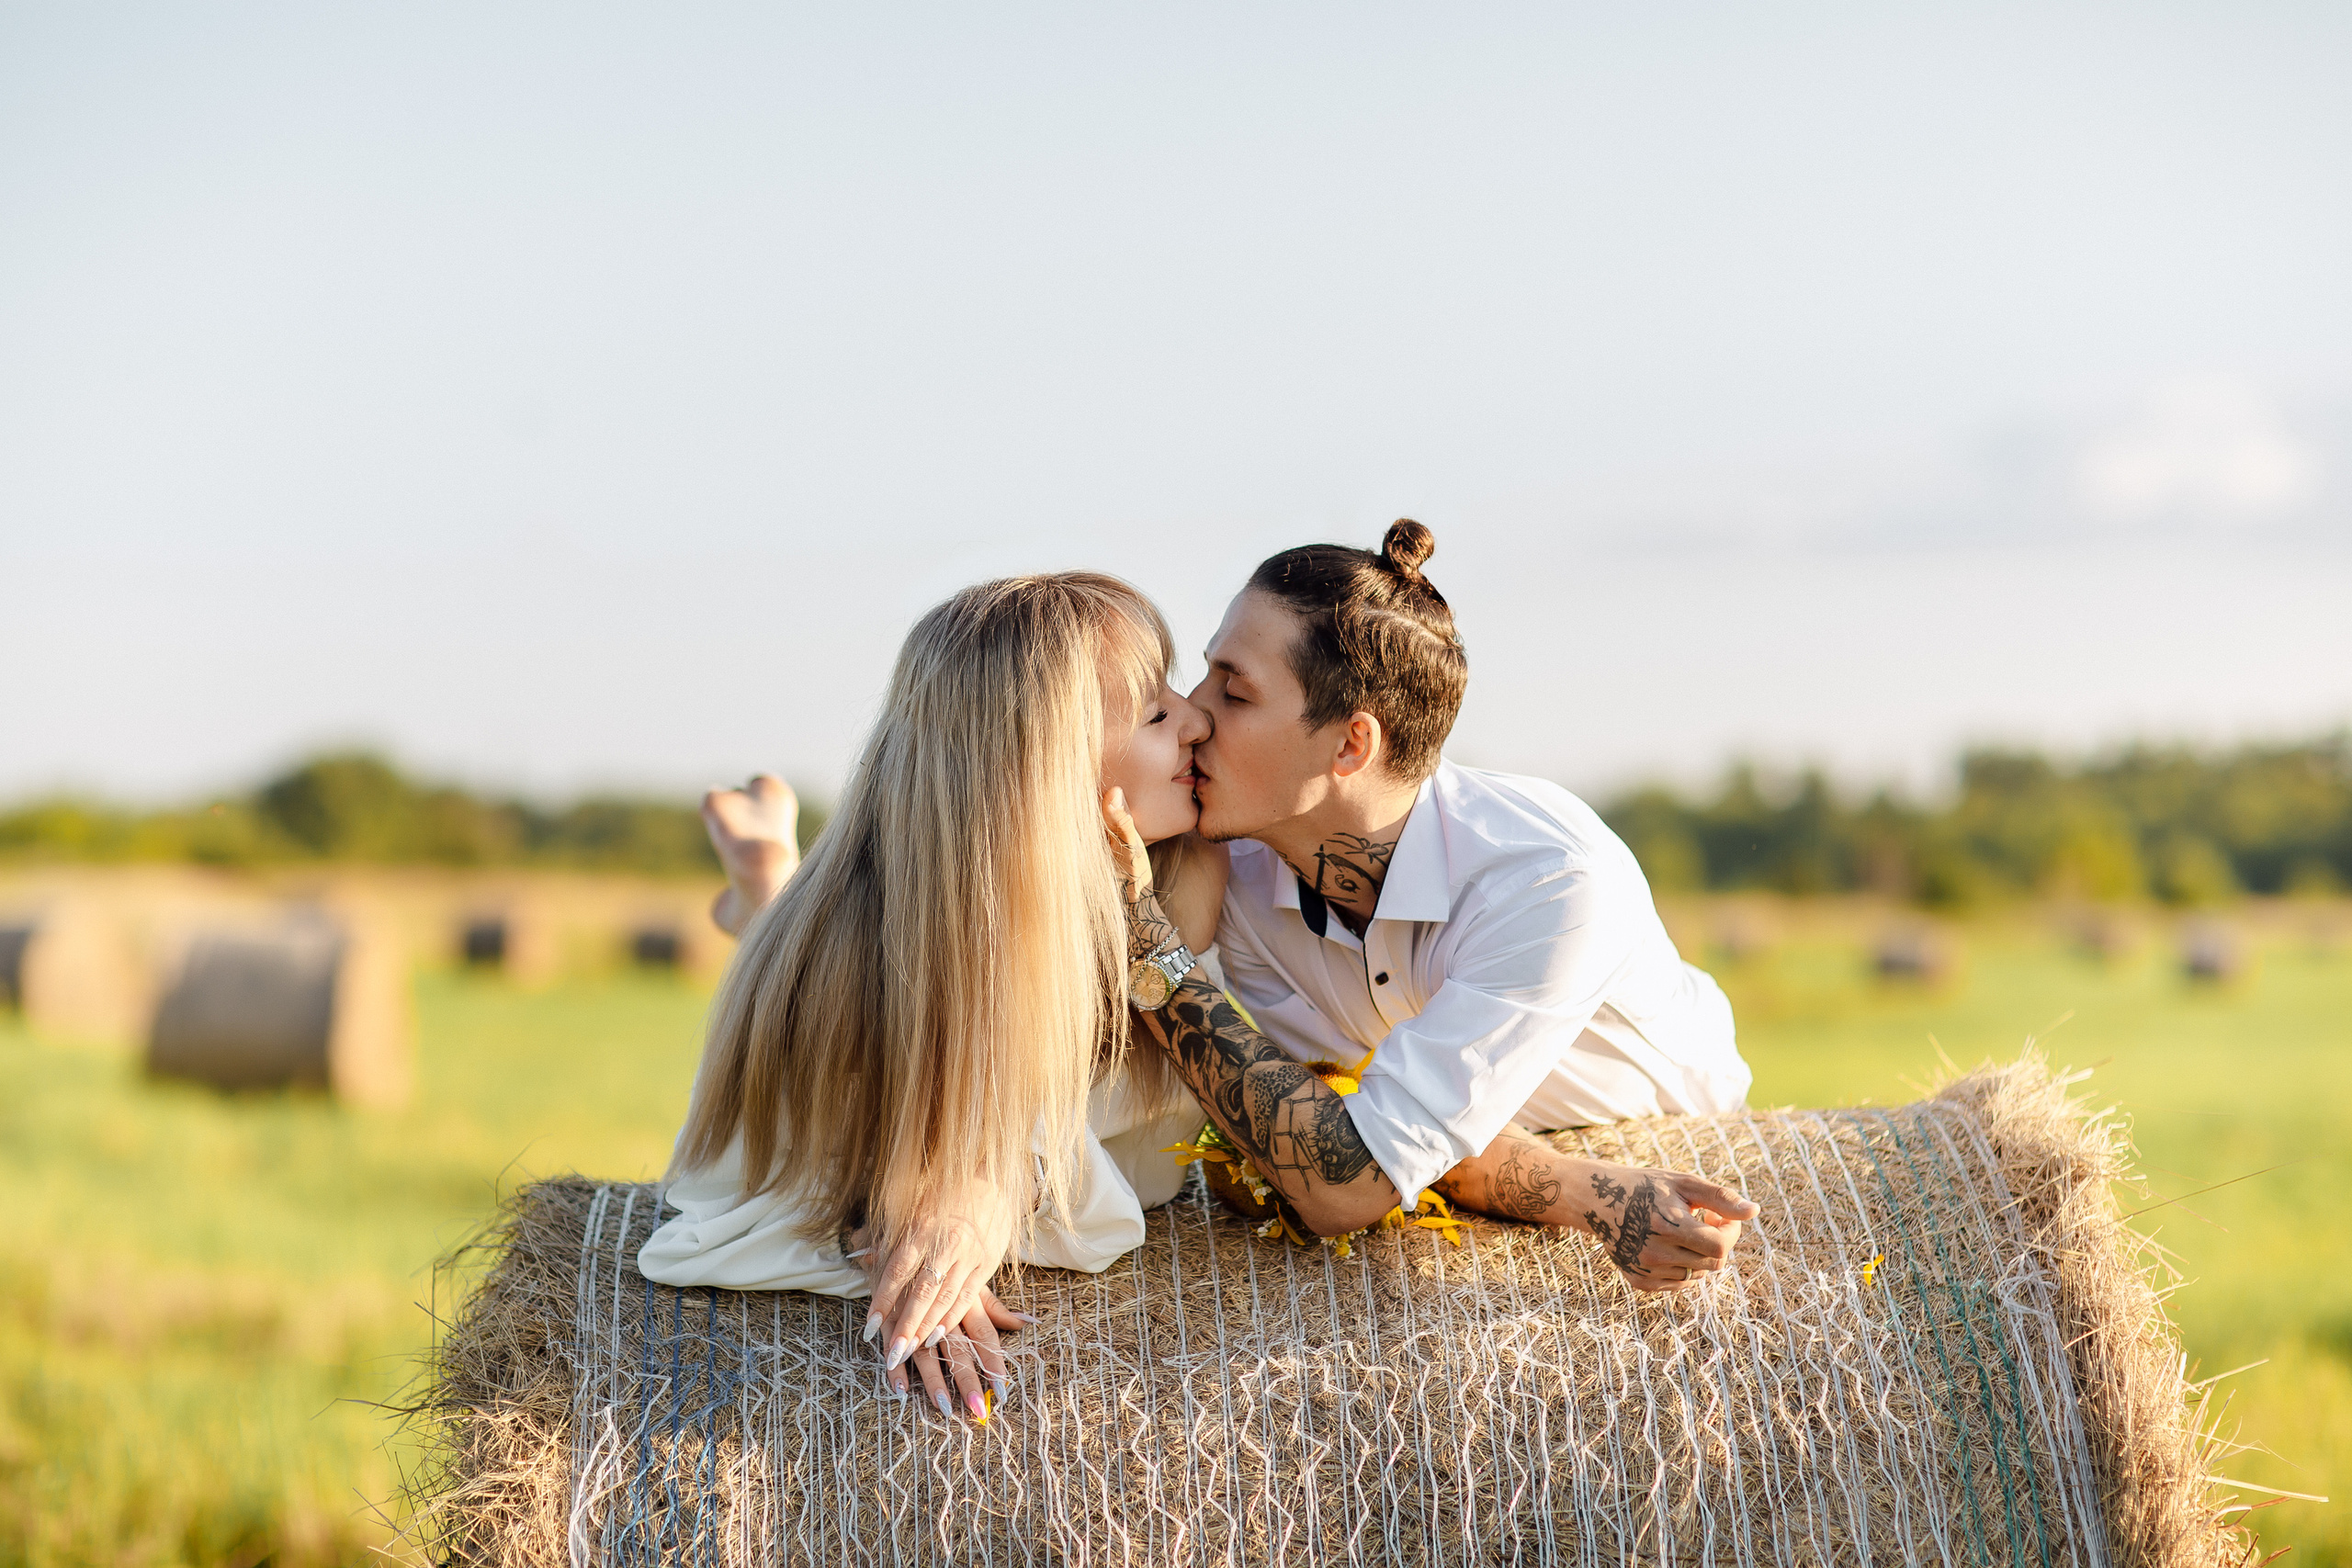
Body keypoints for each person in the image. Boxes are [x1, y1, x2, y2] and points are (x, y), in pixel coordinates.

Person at [1104, 520, 1761, 1292]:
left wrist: (1146, 938)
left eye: (1234, 689)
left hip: (1672, 1122)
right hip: (1461, 1140)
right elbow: (1328, 1122)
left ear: (1350, 746)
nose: (1195, 711)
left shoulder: (1548, 881)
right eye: (1204, 673)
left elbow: (1347, 1179)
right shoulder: (1236, 865)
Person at [637, 573, 1225, 1425]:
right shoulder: (854, 965)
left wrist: (989, 1191)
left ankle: (766, 877)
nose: (1197, 719)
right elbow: (830, 1156)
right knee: (808, 965)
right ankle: (767, 887)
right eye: (1157, 712)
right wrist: (911, 1230)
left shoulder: (1185, 862)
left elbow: (1056, 1103)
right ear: (1043, 771)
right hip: (847, 1058)